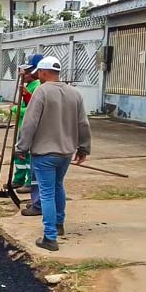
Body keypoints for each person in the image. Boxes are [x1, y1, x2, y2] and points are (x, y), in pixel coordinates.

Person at [16, 56, 91, 252]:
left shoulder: (42, 92)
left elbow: (29, 123)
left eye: (39, 73)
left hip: (44, 153)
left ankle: (50, 237)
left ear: (43, 72)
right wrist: (83, 147)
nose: (38, 76)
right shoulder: (74, 93)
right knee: (58, 186)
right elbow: (83, 123)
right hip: (65, 152)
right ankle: (59, 224)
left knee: (46, 192)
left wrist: (22, 147)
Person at [11, 54, 44, 193]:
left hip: (30, 127)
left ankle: (29, 182)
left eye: (28, 71)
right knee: (19, 156)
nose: (23, 74)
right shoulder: (30, 85)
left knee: (28, 157)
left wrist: (14, 109)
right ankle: (18, 179)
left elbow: (33, 110)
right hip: (22, 127)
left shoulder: (38, 86)